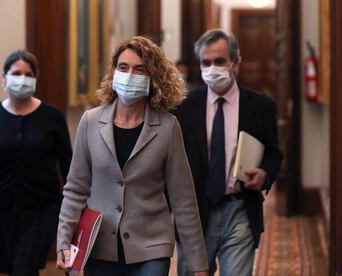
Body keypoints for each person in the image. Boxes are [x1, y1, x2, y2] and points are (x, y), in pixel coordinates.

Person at [56, 36, 209, 276]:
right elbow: (75, 189)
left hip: (151, 248)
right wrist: (64, 242)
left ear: (152, 77)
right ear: (114, 72)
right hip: (99, 247)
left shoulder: (168, 127)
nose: (130, 75)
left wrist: (198, 263)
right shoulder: (91, 122)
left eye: (140, 69)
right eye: (123, 67)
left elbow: (184, 199)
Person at [174, 29, 283, 276]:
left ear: (235, 63)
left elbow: (274, 153)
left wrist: (265, 173)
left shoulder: (261, 106)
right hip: (195, 214)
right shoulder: (184, 107)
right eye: (206, 62)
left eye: (220, 61)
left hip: (239, 208)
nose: (212, 68)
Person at [0, 50, 73, 276]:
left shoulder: (52, 117)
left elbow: (69, 166)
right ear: (4, 78)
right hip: (2, 209)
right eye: (16, 73)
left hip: (43, 209)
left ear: (35, 79)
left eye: (28, 74)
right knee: (8, 269)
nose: (22, 78)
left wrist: (75, 207)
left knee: (24, 269)